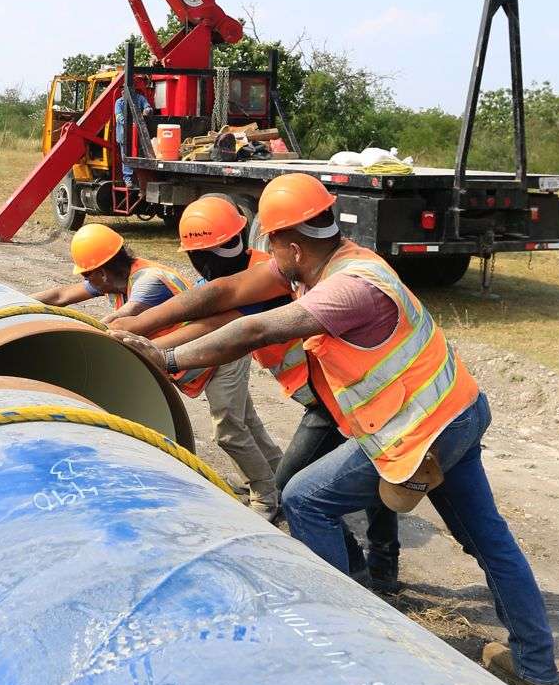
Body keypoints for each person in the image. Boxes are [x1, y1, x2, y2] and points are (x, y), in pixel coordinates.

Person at [115, 173, 559, 685]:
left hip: (419, 430)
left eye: (272, 243)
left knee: (305, 499)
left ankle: (351, 642)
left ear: (292, 246)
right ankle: (536, 669)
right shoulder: (329, 261)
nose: (268, 254)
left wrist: (166, 358)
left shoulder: (351, 287)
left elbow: (255, 330)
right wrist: (130, 328)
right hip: (456, 409)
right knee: (489, 540)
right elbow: (224, 292)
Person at [110, 197, 399, 591]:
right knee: (372, 472)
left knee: (296, 488)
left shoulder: (267, 276)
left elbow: (217, 326)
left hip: (334, 398)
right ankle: (381, 564)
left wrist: (154, 352)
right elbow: (201, 305)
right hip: (327, 396)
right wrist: (132, 327)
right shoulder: (244, 271)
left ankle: (357, 570)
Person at [36, 220, 280, 517]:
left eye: (88, 275)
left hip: (220, 354)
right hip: (199, 352)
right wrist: (13, 308)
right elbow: (60, 296)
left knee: (228, 429)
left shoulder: (148, 282)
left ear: (102, 271)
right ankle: (277, 473)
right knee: (246, 420)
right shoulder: (114, 278)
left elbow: (121, 322)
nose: (87, 282)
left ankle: (266, 497)